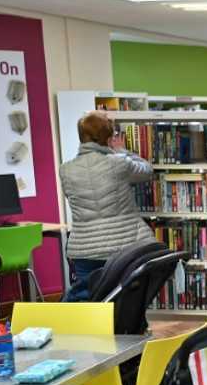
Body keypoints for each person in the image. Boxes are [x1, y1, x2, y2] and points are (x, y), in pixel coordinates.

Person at [59, 112, 154, 302]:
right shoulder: (119, 163)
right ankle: (128, 331)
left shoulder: (66, 169)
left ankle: (93, 330)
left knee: (91, 299)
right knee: (127, 297)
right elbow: (147, 171)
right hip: (123, 245)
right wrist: (121, 151)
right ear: (109, 138)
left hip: (85, 248)